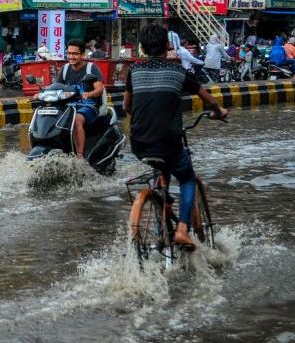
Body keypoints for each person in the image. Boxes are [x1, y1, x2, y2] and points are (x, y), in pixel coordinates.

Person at [123, 23, 228, 247]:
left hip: (139, 143)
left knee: (161, 164)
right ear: (168, 45)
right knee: (188, 178)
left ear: (142, 47)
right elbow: (208, 99)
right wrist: (219, 112)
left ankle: (163, 201)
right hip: (169, 142)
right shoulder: (178, 72)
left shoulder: (134, 71)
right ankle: (182, 229)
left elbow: (126, 106)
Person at [55, 39, 105, 159]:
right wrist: (41, 94)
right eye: (69, 53)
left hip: (88, 106)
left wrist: (89, 94)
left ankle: (80, 157)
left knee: (76, 119)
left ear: (82, 54)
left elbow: (99, 89)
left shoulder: (91, 68)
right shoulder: (65, 69)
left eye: (75, 54)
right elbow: (56, 87)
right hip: (69, 106)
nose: (71, 57)